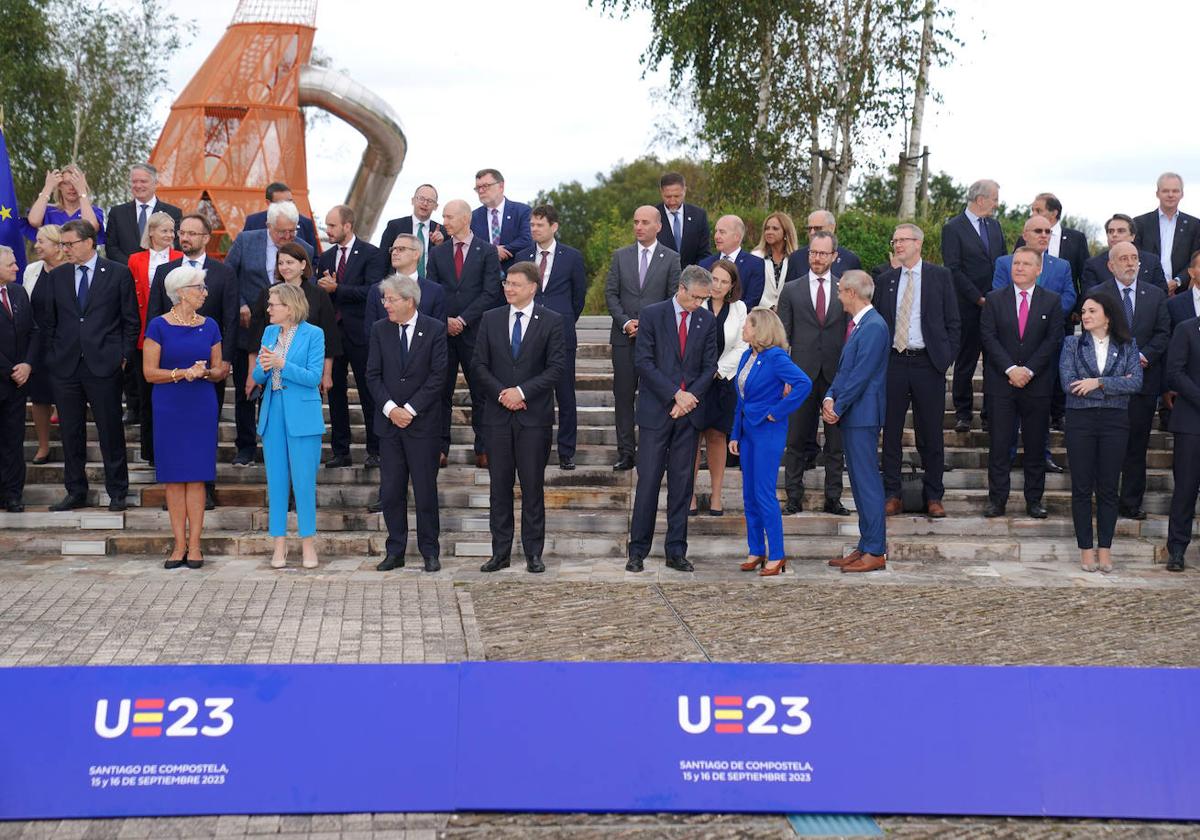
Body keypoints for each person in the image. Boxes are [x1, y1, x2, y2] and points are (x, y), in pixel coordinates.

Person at [472, 262, 566, 573]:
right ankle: (500, 553)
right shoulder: (491, 318)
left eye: (515, 284)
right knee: (498, 487)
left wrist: (522, 393)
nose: (508, 288)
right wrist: (503, 393)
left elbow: (555, 368)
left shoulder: (552, 321)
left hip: (533, 418)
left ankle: (533, 553)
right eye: (506, 283)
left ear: (532, 287)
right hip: (497, 417)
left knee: (532, 487)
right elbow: (479, 365)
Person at [626, 266, 719, 573]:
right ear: (681, 288)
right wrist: (674, 396)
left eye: (704, 299)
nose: (699, 304)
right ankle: (637, 551)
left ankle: (676, 551)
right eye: (695, 298)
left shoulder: (706, 320)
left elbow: (709, 367)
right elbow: (643, 361)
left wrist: (688, 398)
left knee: (682, 486)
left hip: (689, 416)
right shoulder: (652, 314)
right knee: (649, 484)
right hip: (657, 412)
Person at [41, 220, 138, 512]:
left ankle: (118, 491)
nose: (65, 249)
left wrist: (122, 356)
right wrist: (53, 357)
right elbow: (48, 322)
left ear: (89, 242)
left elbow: (130, 321)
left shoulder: (118, 273)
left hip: (104, 365)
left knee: (110, 430)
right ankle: (75, 491)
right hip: (66, 367)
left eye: (69, 244)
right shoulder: (56, 277)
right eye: (62, 244)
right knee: (71, 432)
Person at [148, 213, 240, 510]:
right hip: (170, 365)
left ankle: (205, 487)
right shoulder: (165, 270)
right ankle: (175, 486)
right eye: (181, 232)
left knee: (205, 428)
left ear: (205, 238)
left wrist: (225, 359)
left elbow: (230, 317)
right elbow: (154, 315)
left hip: (208, 366)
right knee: (171, 433)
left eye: (191, 233)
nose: (184, 237)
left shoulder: (223, 272)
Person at [142, 266, 229, 569]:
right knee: (174, 478)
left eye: (204, 287)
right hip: (169, 404)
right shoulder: (158, 326)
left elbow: (219, 369)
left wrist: (207, 371)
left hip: (200, 404)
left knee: (197, 476)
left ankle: (195, 546)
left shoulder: (211, 325)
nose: (205, 292)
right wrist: (182, 373)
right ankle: (178, 545)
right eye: (199, 287)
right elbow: (150, 373)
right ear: (180, 292)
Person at [874, 224, 960, 518]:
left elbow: (953, 322)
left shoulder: (940, 276)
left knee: (931, 433)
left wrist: (944, 359)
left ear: (918, 243)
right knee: (891, 431)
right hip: (894, 362)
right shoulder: (886, 280)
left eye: (903, 240)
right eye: (894, 240)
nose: (897, 244)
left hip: (928, 363)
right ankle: (892, 494)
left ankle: (934, 495)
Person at [366, 274, 447, 573]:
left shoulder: (435, 329)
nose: (385, 304)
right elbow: (372, 374)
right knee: (391, 491)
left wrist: (409, 409)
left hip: (422, 425)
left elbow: (439, 376)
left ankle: (430, 551)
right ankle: (395, 550)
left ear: (408, 301)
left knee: (425, 491)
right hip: (389, 426)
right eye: (384, 299)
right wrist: (390, 409)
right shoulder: (379, 330)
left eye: (390, 299)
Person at [224, 201, 314, 465]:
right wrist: (240, 304)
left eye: (292, 231)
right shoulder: (246, 240)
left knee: (280, 391)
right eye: (281, 232)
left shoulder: (304, 249)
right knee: (247, 388)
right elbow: (229, 276)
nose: (287, 237)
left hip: (289, 337)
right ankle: (246, 446)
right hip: (250, 328)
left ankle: (276, 445)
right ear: (268, 226)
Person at [1059, 291, 1142, 573]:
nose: (1085, 316)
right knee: (1081, 487)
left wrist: (1097, 383)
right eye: (1083, 312)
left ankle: (1105, 548)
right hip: (1080, 420)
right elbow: (1068, 383)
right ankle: (1085, 550)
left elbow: (1136, 383)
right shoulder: (1071, 343)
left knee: (1108, 487)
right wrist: (1115, 385)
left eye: (1091, 311)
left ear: (1108, 315)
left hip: (1115, 421)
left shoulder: (1128, 345)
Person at [980, 247, 1063, 520]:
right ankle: (997, 500)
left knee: (1036, 446)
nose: (1019, 268)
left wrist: (1028, 370)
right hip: (1002, 384)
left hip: (1037, 384)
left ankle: (1034, 500)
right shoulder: (994, 299)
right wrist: (1010, 369)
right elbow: (988, 337)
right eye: (1016, 263)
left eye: (1026, 264)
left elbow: (1053, 341)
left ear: (1039, 270)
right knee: (1000, 445)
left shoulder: (1051, 301)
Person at [1091, 242, 1169, 521]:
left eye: (1134, 257)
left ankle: (1131, 503)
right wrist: (1120, 362)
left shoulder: (1156, 295)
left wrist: (1143, 356)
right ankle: (1105, 501)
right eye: (1123, 258)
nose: (1130, 263)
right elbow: (1095, 334)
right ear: (1111, 265)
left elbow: (1162, 333)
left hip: (1143, 384)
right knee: (1107, 446)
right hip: (1109, 384)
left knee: (1136, 446)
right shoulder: (1097, 294)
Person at [729, 309, 811, 576]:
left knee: (764, 493)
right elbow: (740, 399)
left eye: (747, 325)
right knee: (749, 493)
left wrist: (778, 411)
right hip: (748, 431)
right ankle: (756, 550)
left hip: (768, 431)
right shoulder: (745, 356)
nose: (743, 328)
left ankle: (776, 554)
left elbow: (803, 384)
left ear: (760, 329)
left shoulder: (775, 357)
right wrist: (734, 433)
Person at [253, 283, 325, 570]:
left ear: (290, 307)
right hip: (274, 412)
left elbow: (313, 377)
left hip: (303, 414)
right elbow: (258, 374)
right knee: (277, 481)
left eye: (273, 304)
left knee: (304, 482)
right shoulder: (270, 333)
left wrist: (282, 362)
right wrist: (267, 365)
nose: (268, 309)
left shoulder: (314, 334)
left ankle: (308, 544)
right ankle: (279, 545)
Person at [776, 230, 848, 515]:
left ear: (834, 256)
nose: (816, 258)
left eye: (822, 253)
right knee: (795, 440)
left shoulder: (845, 289)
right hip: (800, 377)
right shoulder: (791, 289)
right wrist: (784, 378)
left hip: (835, 377)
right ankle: (793, 496)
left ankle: (834, 497)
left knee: (835, 443)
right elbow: (782, 338)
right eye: (813, 253)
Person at [605, 206, 681, 471]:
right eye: (635, 222)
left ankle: (655, 450)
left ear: (658, 226)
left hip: (656, 341)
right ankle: (626, 452)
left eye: (645, 222)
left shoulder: (671, 258)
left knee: (657, 395)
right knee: (623, 396)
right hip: (623, 339)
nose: (639, 227)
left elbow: (673, 298)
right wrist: (625, 322)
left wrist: (647, 326)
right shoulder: (620, 256)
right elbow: (611, 294)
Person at [427, 199, 502, 468]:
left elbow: (492, 292)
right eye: (444, 217)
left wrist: (462, 319)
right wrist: (445, 320)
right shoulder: (437, 254)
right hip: (443, 334)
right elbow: (431, 290)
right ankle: (439, 448)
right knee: (440, 392)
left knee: (481, 392)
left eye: (449, 217)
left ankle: (483, 449)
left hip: (476, 333)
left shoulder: (487, 251)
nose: (444, 222)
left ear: (465, 218)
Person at [993, 214, 1075, 451]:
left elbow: (1069, 295)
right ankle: (1006, 454)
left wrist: (1048, 314)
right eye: (1038, 231)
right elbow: (998, 295)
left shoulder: (1062, 265)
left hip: (1044, 349)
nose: (1044, 235)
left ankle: (1043, 453)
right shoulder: (1005, 262)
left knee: (1041, 411)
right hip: (1009, 349)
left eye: (1048, 232)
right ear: (1024, 234)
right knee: (1005, 418)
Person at [516, 204, 587, 469]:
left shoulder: (572, 257)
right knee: (531, 391)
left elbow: (578, 296)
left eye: (539, 225)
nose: (534, 229)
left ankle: (567, 451)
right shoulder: (522, 256)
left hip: (561, 332)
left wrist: (564, 320)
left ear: (554, 226)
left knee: (565, 393)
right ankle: (533, 449)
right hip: (528, 333)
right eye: (532, 225)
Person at [316, 205, 385, 469]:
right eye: (327, 226)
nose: (328, 230)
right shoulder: (326, 257)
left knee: (369, 393)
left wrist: (338, 288)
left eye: (332, 226)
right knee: (335, 394)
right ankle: (340, 450)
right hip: (333, 335)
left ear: (347, 226)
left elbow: (373, 291)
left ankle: (375, 449)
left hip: (362, 333)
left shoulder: (372, 254)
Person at [942, 179, 1007, 433]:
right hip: (967, 305)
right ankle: (963, 413)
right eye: (995, 199)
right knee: (966, 360)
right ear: (981, 199)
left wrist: (998, 296)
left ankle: (990, 414)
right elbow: (953, 269)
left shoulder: (995, 226)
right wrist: (978, 297)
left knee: (995, 360)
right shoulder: (953, 228)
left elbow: (1001, 263)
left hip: (996, 304)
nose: (997, 204)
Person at [247, 242, 339, 410]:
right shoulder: (268, 293)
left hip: (306, 375)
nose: (284, 267)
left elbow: (330, 337)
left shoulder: (318, 294)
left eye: (290, 262)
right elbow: (255, 338)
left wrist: (326, 374)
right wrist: (253, 373)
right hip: (272, 378)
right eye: (281, 263)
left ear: (303, 264)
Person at [688, 259, 747, 517]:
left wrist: (718, 370)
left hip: (723, 381)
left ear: (732, 285)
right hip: (693, 382)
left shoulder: (739, 309)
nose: (718, 285)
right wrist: (703, 372)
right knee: (691, 440)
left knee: (717, 437)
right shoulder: (694, 301)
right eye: (715, 279)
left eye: (725, 281)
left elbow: (743, 345)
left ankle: (716, 495)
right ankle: (687, 495)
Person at [126, 211, 181, 462]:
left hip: (175, 331)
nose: (169, 235)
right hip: (144, 333)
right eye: (164, 230)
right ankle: (150, 450)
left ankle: (173, 447)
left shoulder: (180, 258)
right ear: (151, 232)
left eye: (172, 231)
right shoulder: (135, 260)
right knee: (147, 395)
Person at [22, 224, 65, 465]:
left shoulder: (71, 270)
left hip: (65, 342)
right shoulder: (32, 270)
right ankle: (43, 446)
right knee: (38, 397)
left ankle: (70, 444)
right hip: (37, 342)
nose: (36, 245)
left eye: (41, 241)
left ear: (57, 245)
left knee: (66, 393)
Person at [0, 246, 39, 512]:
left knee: (14, 441)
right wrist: (11, 369)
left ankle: (13, 494)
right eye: (11, 264)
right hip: (6, 376)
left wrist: (27, 364)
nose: (17, 268)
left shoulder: (18, 292)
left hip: (17, 384)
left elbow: (33, 331)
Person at [1165, 316, 1200, 572]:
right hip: (1191, 424)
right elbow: (1175, 372)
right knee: (1185, 490)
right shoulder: (1186, 329)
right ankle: (1176, 550)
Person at [364, 235, 448, 336]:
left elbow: (439, 333)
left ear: (416, 254)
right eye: (393, 249)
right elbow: (370, 333)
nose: (394, 253)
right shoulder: (377, 290)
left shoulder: (435, 291)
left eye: (401, 249)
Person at [104, 163, 182, 265]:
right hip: (126, 273)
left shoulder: (173, 213)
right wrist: (133, 265)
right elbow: (111, 247)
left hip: (161, 272)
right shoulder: (117, 213)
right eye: (134, 181)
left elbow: (176, 244)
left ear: (155, 183)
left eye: (143, 181)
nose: (138, 185)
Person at [1014, 193, 1089, 299]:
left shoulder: (1076, 239)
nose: (1033, 214)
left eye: (1038, 211)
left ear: (1054, 213)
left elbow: (1084, 277)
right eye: (1033, 210)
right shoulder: (1024, 239)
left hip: (1064, 308)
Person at [1134, 172, 1199, 288]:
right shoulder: (1140, 223)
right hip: (1148, 289)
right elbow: (1137, 256)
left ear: (1182, 194)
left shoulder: (1194, 225)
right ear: (1157, 194)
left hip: (1182, 291)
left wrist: (1178, 281)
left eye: (1175, 191)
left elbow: (1195, 259)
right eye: (1165, 191)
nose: (1170, 195)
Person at [1081, 214, 1169, 294]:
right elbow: (1090, 297)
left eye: (1120, 231)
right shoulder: (1093, 265)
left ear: (1132, 236)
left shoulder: (1151, 261)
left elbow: (1162, 293)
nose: (1114, 235)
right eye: (1110, 231)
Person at [471, 168, 532, 274]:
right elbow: (470, 246)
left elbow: (526, 240)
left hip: (516, 275)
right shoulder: (473, 217)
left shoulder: (522, 211)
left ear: (501, 186)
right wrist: (492, 251)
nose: (480, 191)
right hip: (484, 279)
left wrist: (497, 251)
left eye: (485, 186)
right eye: (478, 188)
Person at [25, 165, 104, 245]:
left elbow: (91, 227)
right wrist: (48, 188)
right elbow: (33, 221)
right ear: (59, 186)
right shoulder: (49, 210)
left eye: (75, 183)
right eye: (66, 183)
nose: (71, 187)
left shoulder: (93, 212)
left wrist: (82, 191)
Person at [699, 215, 766, 308]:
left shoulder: (755, 264)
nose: (716, 236)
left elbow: (752, 300)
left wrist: (730, 315)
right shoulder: (704, 264)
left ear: (737, 237)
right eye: (716, 231)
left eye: (722, 232)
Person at [378, 184, 444, 277]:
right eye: (421, 198)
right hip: (398, 285)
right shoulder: (395, 226)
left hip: (429, 286)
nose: (425, 203)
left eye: (430, 201)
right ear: (413, 201)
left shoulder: (442, 231)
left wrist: (439, 245)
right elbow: (382, 259)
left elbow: (445, 265)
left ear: (436, 206)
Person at [784, 210, 862, 281]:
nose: (812, 232)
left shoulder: (850, 260)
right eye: (809, 229)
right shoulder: (796, 258)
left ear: (832, 228)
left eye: (817, 228)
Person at [654, 171, 711, 268]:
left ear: (684, 191)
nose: (672, 201)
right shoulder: (652, 215)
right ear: (661, 192)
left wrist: (693, 277)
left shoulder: (699, 216)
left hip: (692, 279)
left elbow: (704, 254)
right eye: (668, 197)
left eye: (677, 196)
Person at [242, 181, 319, 248]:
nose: (287, 206)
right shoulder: (253, 222)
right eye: (282, 202)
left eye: (290, 201)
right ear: (269, 203)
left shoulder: (305, 223)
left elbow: (313, 258)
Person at [751, 211, 799, 310]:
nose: (769, 232)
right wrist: (770, 307)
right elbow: (752, 288)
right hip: (761, 313)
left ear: (786, 232)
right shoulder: (756, 256)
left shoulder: (795, 258)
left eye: (775, 229)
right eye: (767, 228)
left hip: (787, 314)